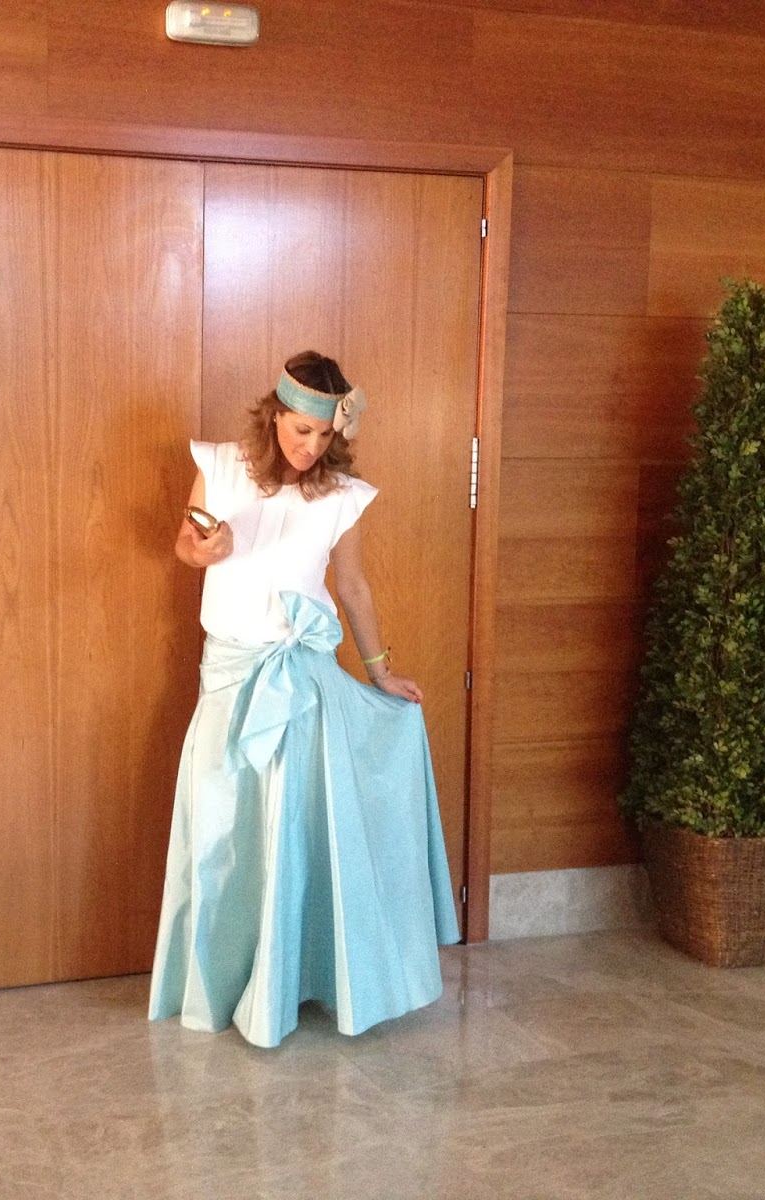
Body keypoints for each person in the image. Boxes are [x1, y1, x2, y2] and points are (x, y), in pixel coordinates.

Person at [148, 350, 460, 1049]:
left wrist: (380, 673)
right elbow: (186, 545)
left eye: (323, 435)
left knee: (293, 838)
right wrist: (206, 550)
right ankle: (225, 985)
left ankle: (292, 986)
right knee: (224, 836)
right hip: (229, 676)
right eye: (300, 431)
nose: (310, 446)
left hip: (303, 683)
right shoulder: (221, 467)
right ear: (274, 416)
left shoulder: (341, 497)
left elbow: (352, 588)